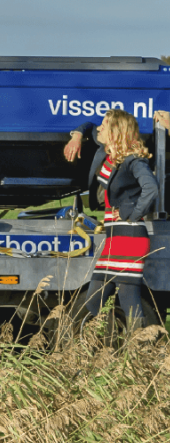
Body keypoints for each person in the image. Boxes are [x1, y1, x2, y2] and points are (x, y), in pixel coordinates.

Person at [64, 108, 157, 331]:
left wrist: (131, 213)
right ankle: (95, 343)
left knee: (128, 295)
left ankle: (139, 348)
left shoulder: (134, 160)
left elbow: (151, 188)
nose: (99, 128)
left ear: (115, 131)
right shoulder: (110, 156)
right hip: (115, 236)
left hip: (130, 237)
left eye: (104, 125)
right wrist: (76, 135)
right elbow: (88, 124)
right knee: (94, 297)